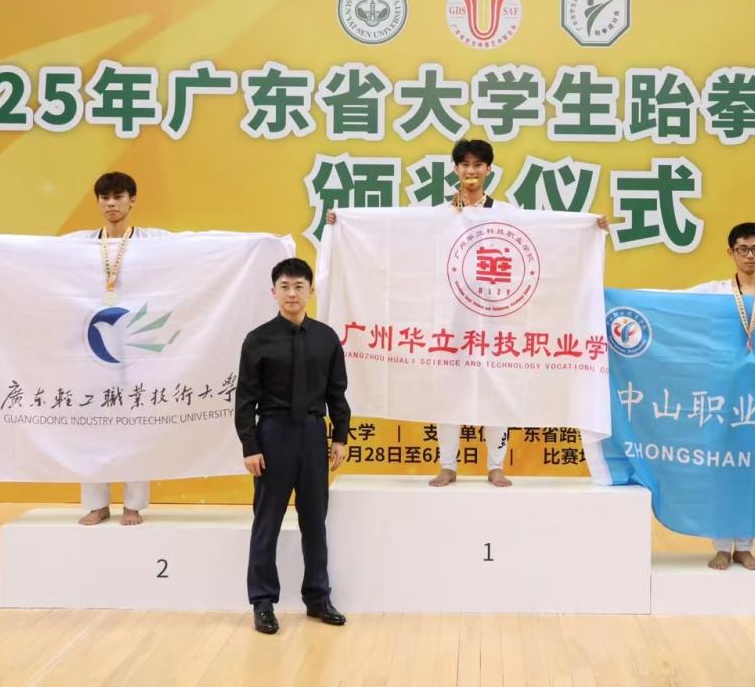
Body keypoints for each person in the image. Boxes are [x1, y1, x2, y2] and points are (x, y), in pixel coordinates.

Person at [326, 138, 608, 489]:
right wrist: (345, 223)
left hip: (497, 321)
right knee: (449, 391)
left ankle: (496, 466)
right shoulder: (439, 216)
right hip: (451, 323)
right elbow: (398, 235)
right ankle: (447, 466)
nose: (471, 171)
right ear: (456, 169)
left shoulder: (506, 214)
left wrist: (589, 228)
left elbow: (546, 236)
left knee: (498, 390)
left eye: (478, 165)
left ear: (488, 170)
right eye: (465, 164)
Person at [235, 257, 351, 635]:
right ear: (273, 292)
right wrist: (250, 446)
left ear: (310, 291)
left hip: (314, 435)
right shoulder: (257, 340)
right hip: (273, 434)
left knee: (315, 520)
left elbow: (337, 393)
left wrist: (340, 436)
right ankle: (263, 602)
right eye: (284, 286)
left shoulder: (326, 338)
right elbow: (244, 400)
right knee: (267, 520)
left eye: (299, 286)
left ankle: (318, 597)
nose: (291, 293)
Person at [687, 221, 755, 571]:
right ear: (730, 252)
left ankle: (745, 547)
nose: (749, 255)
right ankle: (722, 546)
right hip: (723, 394)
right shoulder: (714, 292)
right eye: (742, 249)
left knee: (754, 472)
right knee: (723, 470)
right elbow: (665, 302)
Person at [63, 171, 170, 526]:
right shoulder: (79, 244)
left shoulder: (154, 241)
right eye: (105, 197)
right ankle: (97, 503)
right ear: (97, 202)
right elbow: (30, 255)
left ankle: (133, 504)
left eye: (118, 196)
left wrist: (258, 244)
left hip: (139, 343)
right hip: (92, 342)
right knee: (92, 422)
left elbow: (204, 247)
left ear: (132, 200)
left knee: (135, 423)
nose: (111, 203)